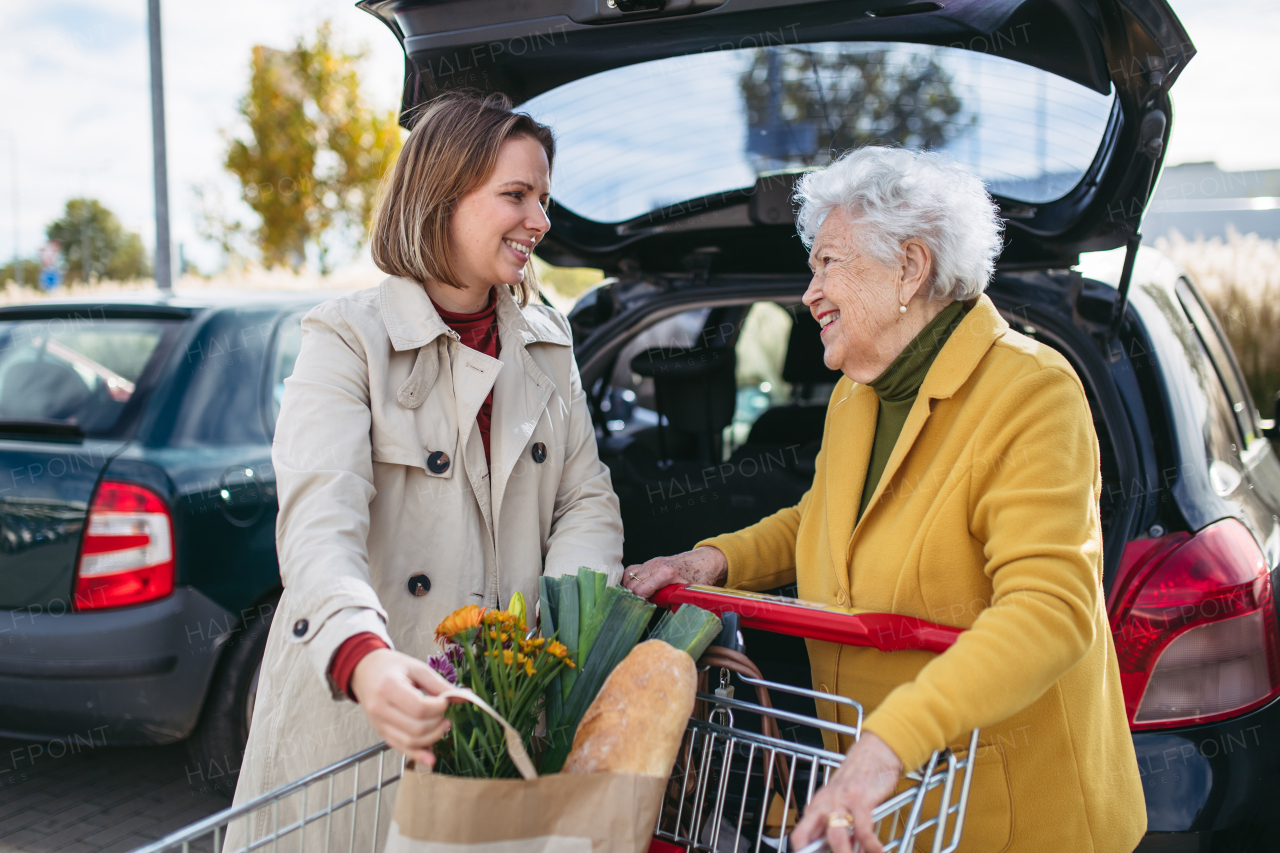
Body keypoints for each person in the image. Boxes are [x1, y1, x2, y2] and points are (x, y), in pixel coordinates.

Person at [624, 147, 1145, 853]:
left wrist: (885, 744)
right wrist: (712, 560)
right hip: (893, 807)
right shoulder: (858, 393)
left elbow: (1050, 610)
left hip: (1011, 816)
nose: (809, 292)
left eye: (829, 263)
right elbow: (823, 518)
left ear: (910, 266)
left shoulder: (1031, 391)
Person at [228, 92, 624, 851]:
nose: (540, 221)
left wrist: (562, 649)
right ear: (440, 194)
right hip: (357, 721)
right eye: (516, 195)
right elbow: (320, 521)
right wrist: (363, 659)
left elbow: (583, 500)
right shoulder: (345, 338)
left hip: (501, 719)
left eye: (543, 198)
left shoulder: (548, 340)